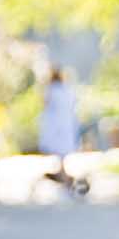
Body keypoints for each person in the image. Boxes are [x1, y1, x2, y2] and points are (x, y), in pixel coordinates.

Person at [37, 65, 85, 195]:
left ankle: (65, 181)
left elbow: (44, 104)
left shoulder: (51, 90)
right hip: (67, 124)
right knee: (62, 154)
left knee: (58, 153)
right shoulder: (67, 90)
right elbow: (74, 105)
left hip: (56, 125)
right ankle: (64, 178)